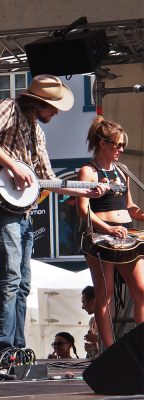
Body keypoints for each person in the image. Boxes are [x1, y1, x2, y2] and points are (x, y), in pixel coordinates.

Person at [0, 75, 107, 357]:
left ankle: (17, 347)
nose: (56, 113)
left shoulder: (38, 132)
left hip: (21, 211)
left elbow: (48, 180)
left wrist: (87, 192)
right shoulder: (8, 107)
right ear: (38, 102)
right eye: (53, 107)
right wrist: (13, 166)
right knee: (10, 275)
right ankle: (1, 348)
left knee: (22, 282)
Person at [77, 116, 144, 350]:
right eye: (118, 145)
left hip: (126, 236)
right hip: (101, 238)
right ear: (103, 143)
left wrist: (141, 214)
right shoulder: (88, 171)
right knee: (104, 297)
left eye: (123, 145)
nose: (121, 149)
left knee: (142, 291)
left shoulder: (122, 171)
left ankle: (141, 344)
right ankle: (110, 349)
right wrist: (107, 228)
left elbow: (130, 207)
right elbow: (83, 209)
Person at [81, 285, 99, 358]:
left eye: (83, 302)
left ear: (92, 301)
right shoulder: (92, 322)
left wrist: (97, 339)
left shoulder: (109, 320)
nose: (82, 307)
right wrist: (91, 347)